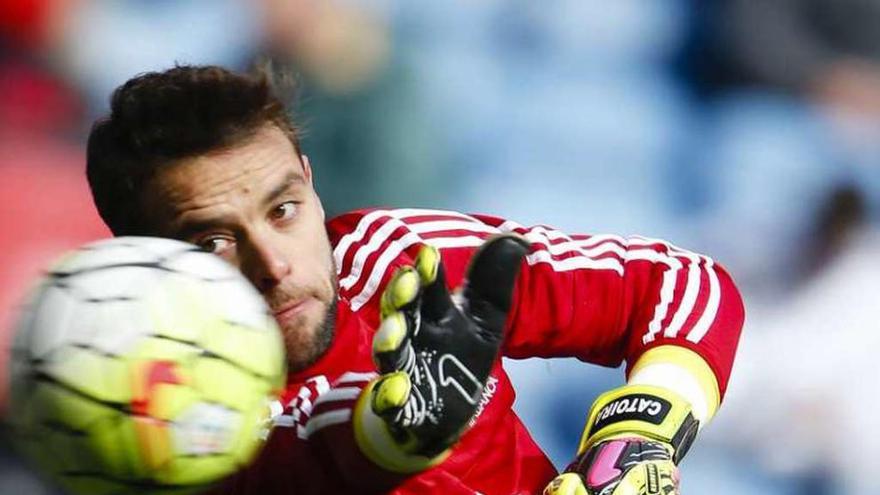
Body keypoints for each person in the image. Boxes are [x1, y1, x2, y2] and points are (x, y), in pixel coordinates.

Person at [84, 65, 744, 495]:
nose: (275, 264)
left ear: (312, 187)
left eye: (283, 211)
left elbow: (679, 282)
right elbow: (308, 445)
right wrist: (395, 426)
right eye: (214, 240)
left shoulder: (398, 257)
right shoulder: (140, 410)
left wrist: (637, 434)